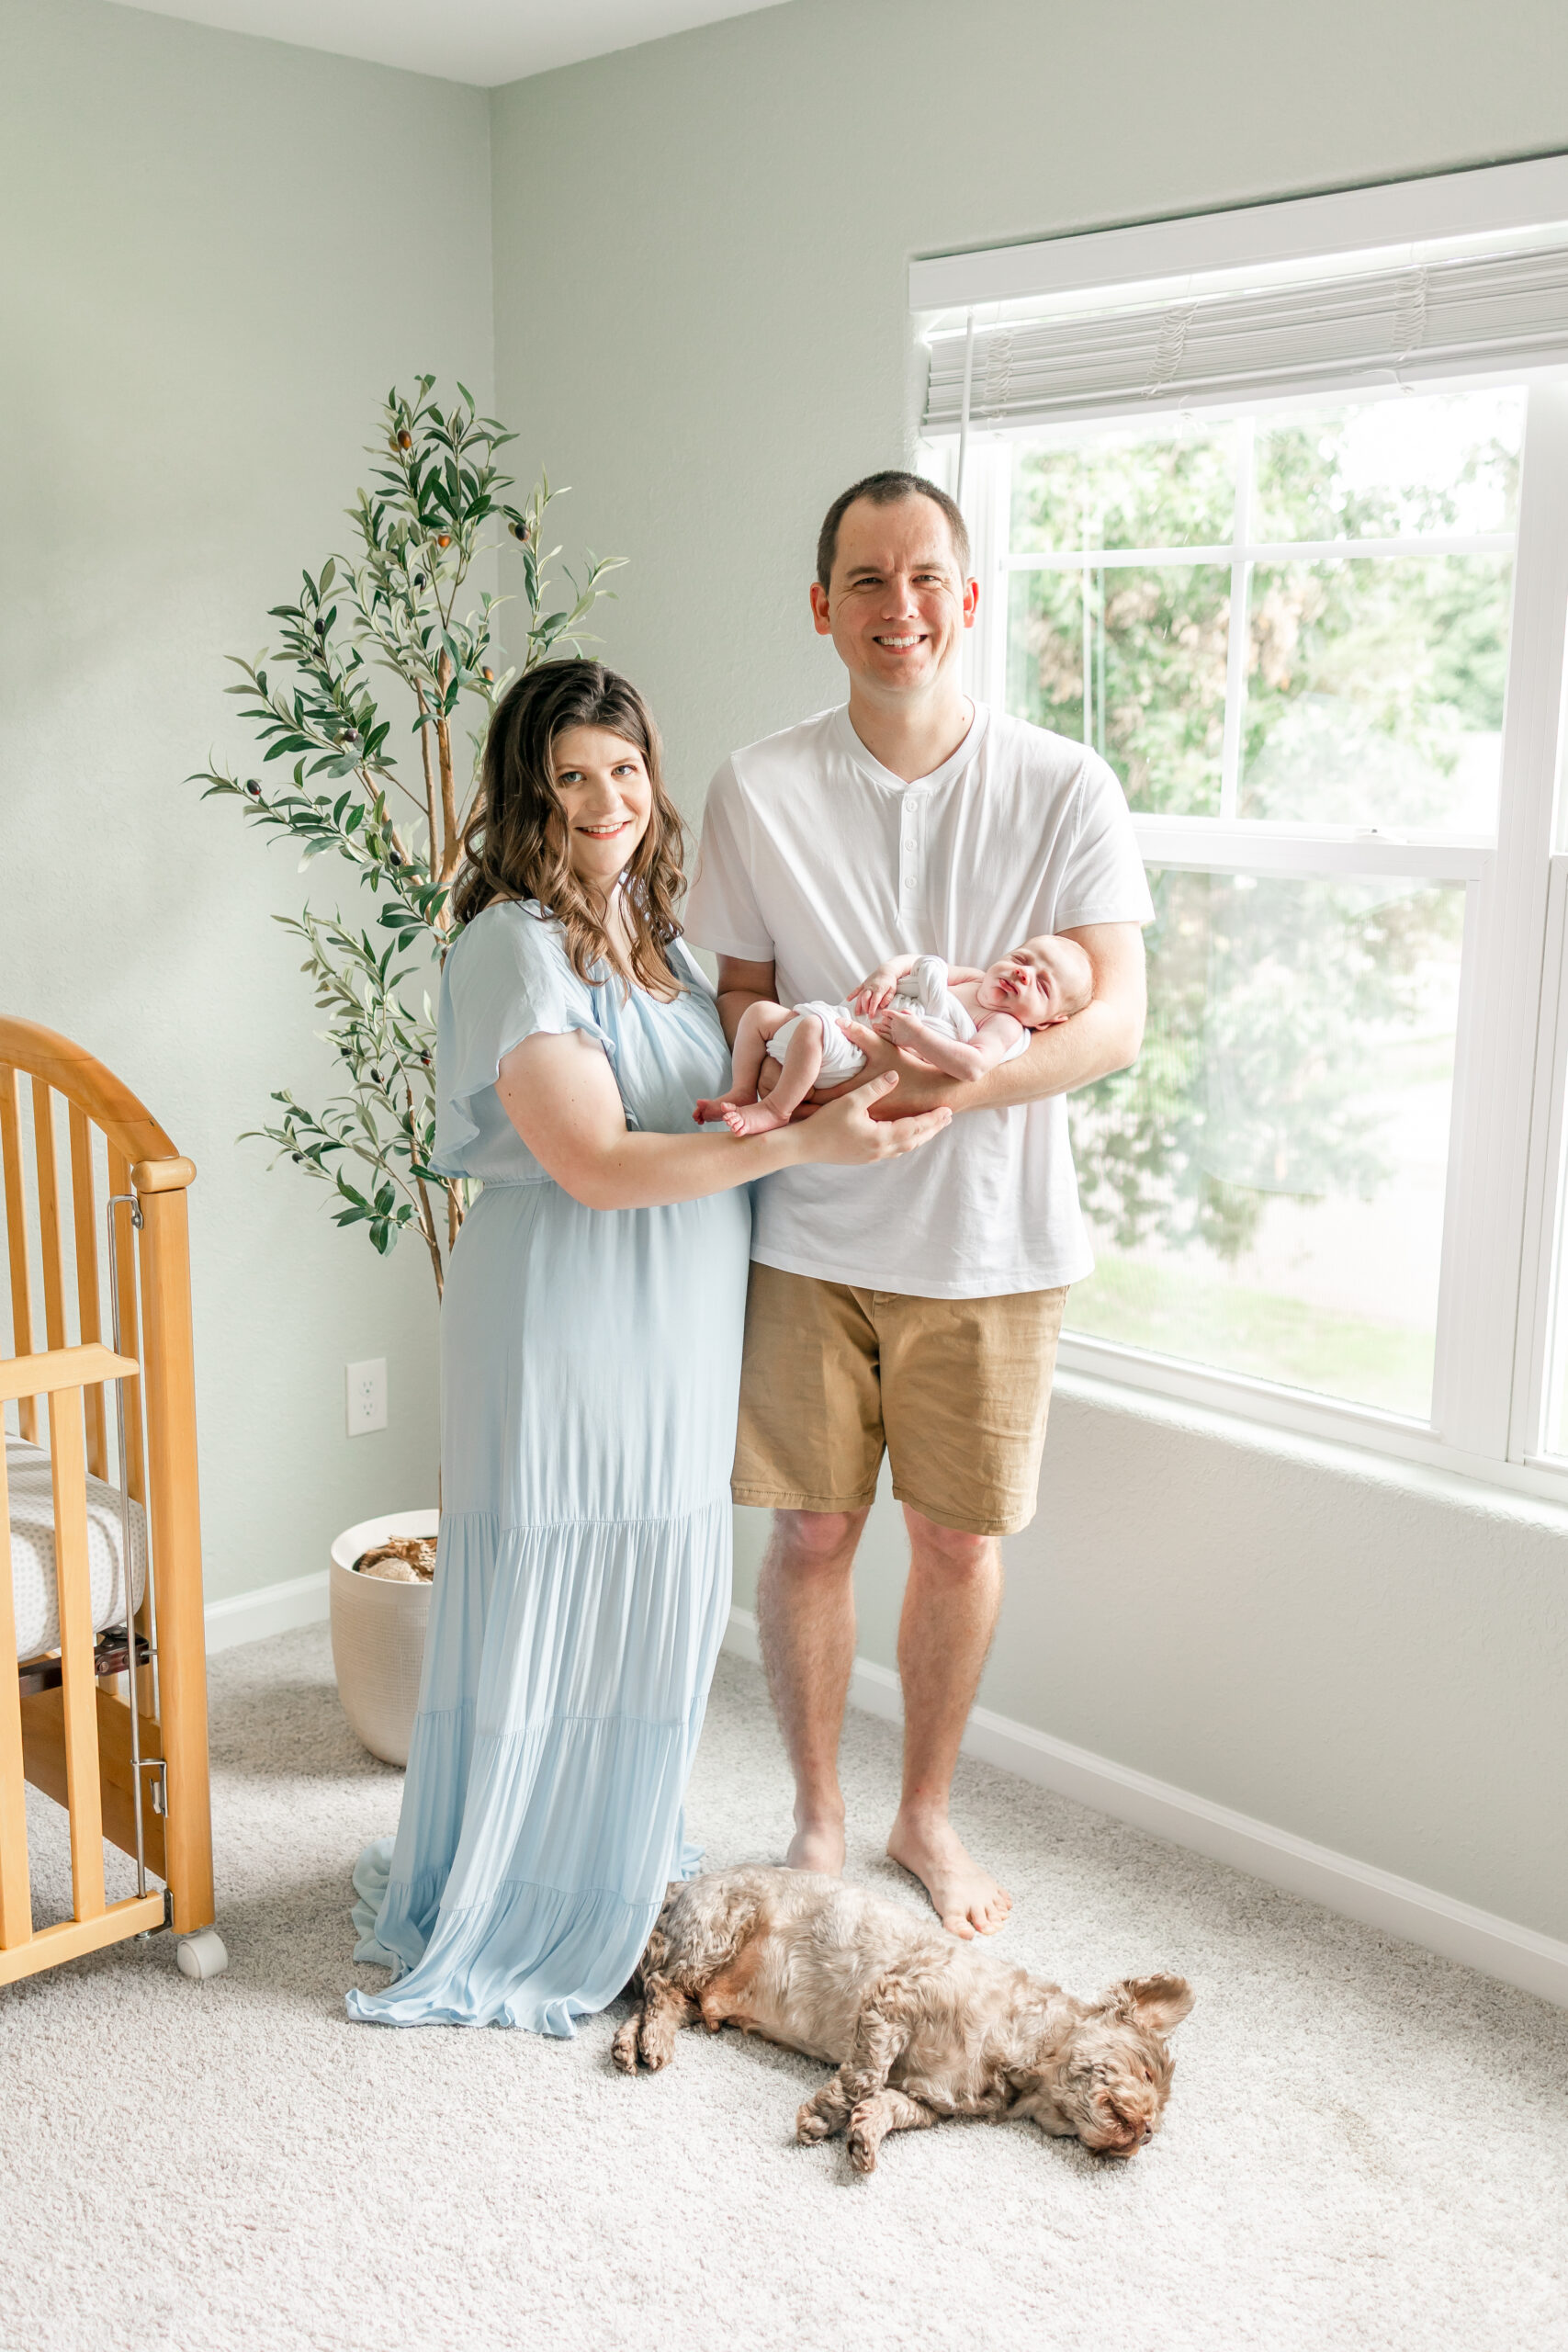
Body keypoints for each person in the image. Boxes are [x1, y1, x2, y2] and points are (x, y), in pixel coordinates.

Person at [346, 659, 951, 2032]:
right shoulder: (510, 943)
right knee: (558, 1573)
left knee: (658, 1588)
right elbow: (600, 1163)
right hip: (563, 1307)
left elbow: (711, 1111)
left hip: (679, 1313)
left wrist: (835, 1044)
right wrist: (805, 1143)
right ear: (528, 795)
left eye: (623, 767)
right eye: (571, 775)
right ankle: (520, 1889)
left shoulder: (664, 945)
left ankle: (605, 1865)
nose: (606, 798)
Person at [683, 470, 1153, 1941]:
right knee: (811, 1536)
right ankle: (819, 1820)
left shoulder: (1061, 784)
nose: (901, 609)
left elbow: (1113, 1017)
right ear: (823, 609)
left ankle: (922, 1817)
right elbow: (739, 1001)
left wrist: (959, 1088)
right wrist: (804, 1075)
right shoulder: (757, 786)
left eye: (926, 577)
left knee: (955, 1543)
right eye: (867, 584)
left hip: (992, 1244)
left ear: (968, 597)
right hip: (811, 1232)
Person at [693, 934, 1092, 1134]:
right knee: (759, 1014)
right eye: (1022, 959)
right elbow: (918, 964)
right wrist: (886, 974)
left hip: (859, 1056)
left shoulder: (1003, 1025)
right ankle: (743, 1090)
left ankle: (777, 1109)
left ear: (1046, 1023)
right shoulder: (973, 978)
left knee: (812, 1029)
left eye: (1042, 986)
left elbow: (973, 1066)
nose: (1024, 973)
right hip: (849, 1021)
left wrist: (916, 1036)